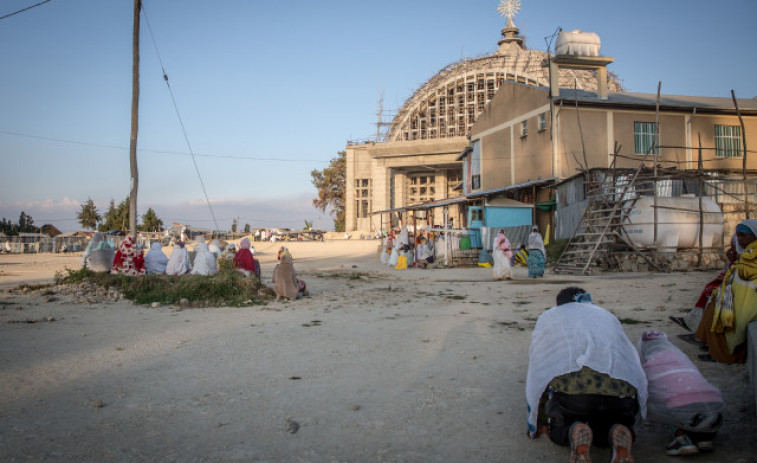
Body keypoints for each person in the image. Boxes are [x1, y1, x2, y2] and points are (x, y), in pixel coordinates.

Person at [526, 287, 646, 463]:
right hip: (621, 398)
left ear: (560, 304)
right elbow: (629, 359)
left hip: (575, 399)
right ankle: (620, 428)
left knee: (560, 429)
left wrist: (538, 420)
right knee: (605, 432)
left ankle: (572, 431)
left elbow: (541, 369)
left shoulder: (551, 316)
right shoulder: (606, 315)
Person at [637, 331, 724, 455]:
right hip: (717, 412)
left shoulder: (650, 367)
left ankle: (681, 438)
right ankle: (704, 438)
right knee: (688, 403)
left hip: (684, 410)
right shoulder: (681, 359)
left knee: (660, 400)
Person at [695, 219, 757, 364]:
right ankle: (714, 350)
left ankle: (726, 356)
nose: (740, 239)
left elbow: (747, 273)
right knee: (714, 308)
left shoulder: (752, 254)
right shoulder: (747, 253)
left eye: (743, 236)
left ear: (753, 236)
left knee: (722, 316)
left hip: (748, 301)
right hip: (739, 296)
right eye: (738, 235)